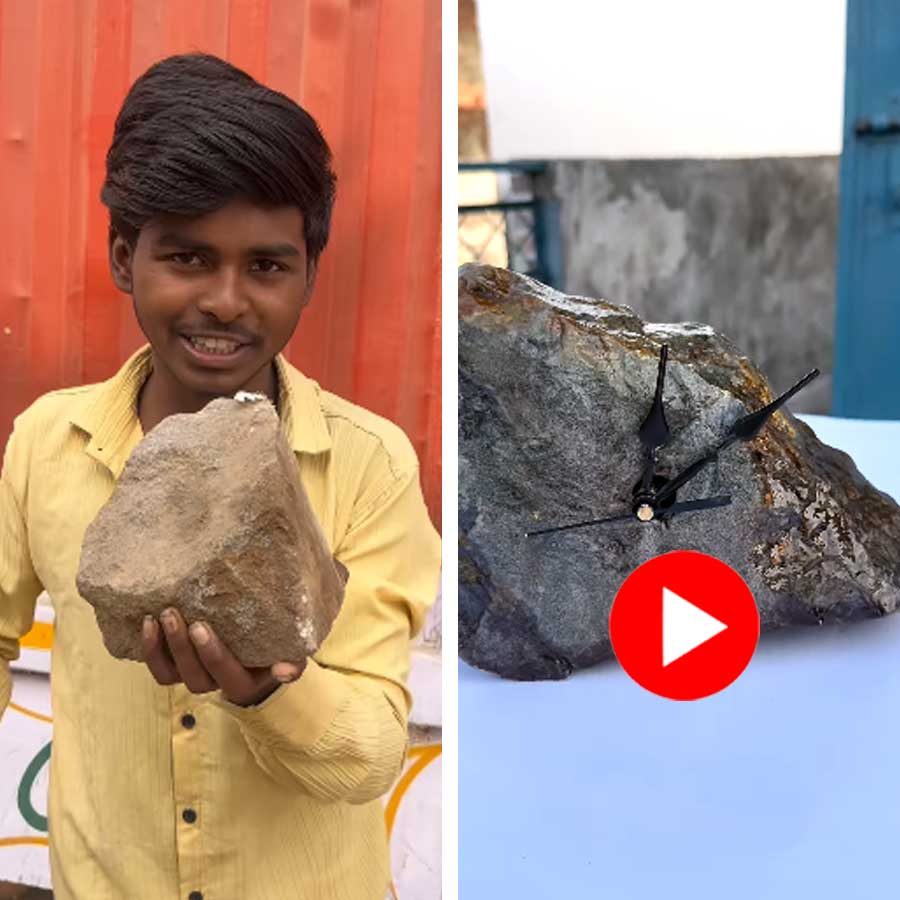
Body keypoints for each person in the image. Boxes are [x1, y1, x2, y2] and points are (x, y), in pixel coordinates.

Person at [0, 53, 440, 900]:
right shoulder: (47, 442)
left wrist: (271, 693)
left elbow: (373, 752)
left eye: (266, 266)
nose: (227, 301)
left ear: (309, 273)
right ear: (124, 257)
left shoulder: (368, 463)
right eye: (189, 258)